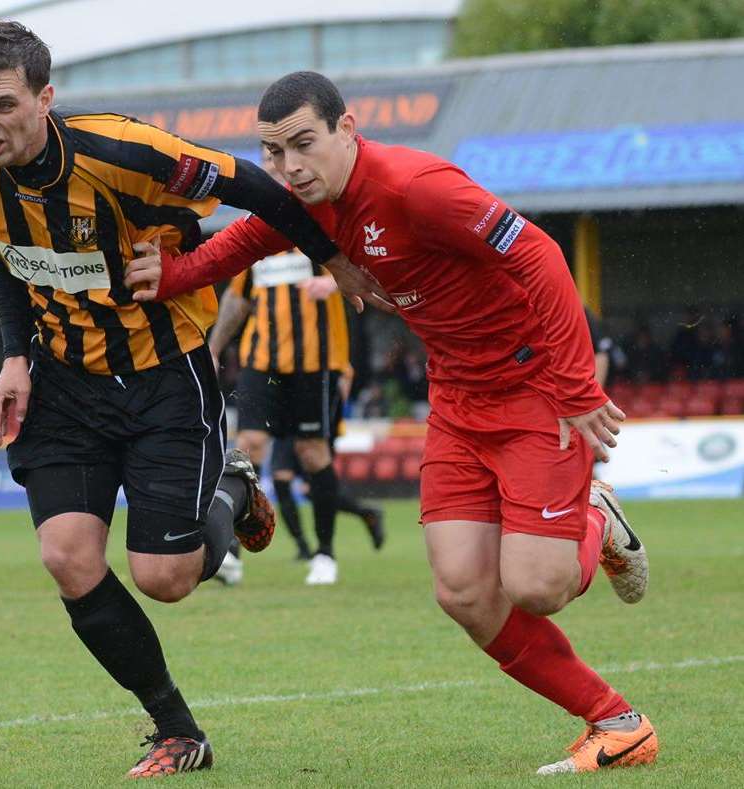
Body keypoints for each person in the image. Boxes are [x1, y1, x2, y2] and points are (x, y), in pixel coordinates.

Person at [127, 71, 655, 775]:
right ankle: (618, 721)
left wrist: (576, 385)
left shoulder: (416, 186)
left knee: (535, 586)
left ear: (347, 130)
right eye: (273, 152)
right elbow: (240, 244)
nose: (288, 167)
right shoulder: (302, 203)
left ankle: (596, 516)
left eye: (303, 145)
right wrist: (169, 277)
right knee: (463, 591)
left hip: (534, 391)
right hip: (459, 401)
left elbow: (539, 253)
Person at [0, 20, 384, 779]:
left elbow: (256, 186)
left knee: (163, 579)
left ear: (46, 99)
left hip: (162, 377)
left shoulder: (127, 153)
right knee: (67, 557)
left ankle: (233, 486)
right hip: (63, 382)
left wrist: (333, 257)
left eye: (4, 103)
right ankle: (177, 729)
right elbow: (4, 253)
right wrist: (14, 356)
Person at [207, 149, 381, 585]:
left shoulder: (322, 221)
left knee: (312, 453)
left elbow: (366, 268)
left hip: (313, 363)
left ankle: (325, 553)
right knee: (246, 446)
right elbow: (237, 297)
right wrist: (215, 346)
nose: (273, 166)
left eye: (277, 158)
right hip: (260, 361)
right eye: (266, 158)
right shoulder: (252, 232)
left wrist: (336, 280)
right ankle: (228, 551)